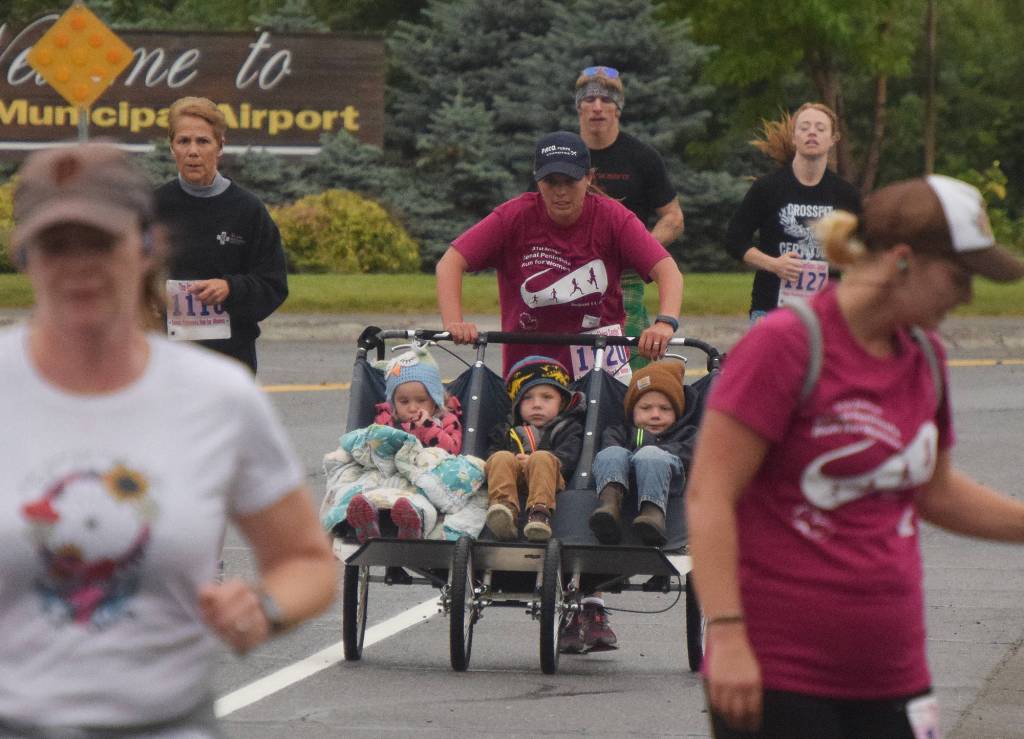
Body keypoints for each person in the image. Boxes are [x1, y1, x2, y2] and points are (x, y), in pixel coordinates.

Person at [0, 143, 336, 736]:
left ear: (148, 245)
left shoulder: (216, 396)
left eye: (101, 242)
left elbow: (307, 563)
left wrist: (263, 607)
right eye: (56, 245)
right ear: (23, 253)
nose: (80, 265)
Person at [687, 174, 1024, 738]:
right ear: (901, 260)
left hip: (894, 675)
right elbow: (709, 495)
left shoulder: (925, 356)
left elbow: (933, 490)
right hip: (780, 675)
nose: (966, 295)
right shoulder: (785, 346)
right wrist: (726, 634)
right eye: (959, 276)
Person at [436, 130, 683, 377]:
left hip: (601, 363)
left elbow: (668, 271)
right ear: (537, 180)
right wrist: (454, 322)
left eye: (570, 181)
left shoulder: (614, 217)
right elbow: (450, 263)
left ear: (588, 177)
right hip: (531, 368)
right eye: (551, 182)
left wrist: (665, 323)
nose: (560, 192)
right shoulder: (513, 217)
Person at [156, 96, 289, 373]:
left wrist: (231, 288)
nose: (193, 151)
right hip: (165, 360)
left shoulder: (247, 210)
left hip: (230, 360)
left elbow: (273, 285)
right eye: (184, 141)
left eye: (203, 142)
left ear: (220, 147)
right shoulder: (152, 208)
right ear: (172, 148)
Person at [575, 65, 685, 368]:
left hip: (626, 281)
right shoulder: (564, 156)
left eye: (607, 100)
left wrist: (639, 248)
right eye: (589, 99)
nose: (598, 107)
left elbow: (673, 218)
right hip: (571, 275)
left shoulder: (642, 157)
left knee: (629, 368)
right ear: (579, 107)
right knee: (568, 369)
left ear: (618, 108)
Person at [321, 346, 486, 543]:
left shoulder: (446, 421)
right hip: (389, 477)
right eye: (404, 401)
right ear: (393, 404)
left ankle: (412, 525)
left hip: (424, 480)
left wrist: (427, 428)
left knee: (422, 503)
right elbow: (373, 445)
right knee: (368, 491)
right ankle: (366, 521)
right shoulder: (386, 420)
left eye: (421, 400)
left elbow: (452, 450)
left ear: (435, 401)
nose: (413, 407)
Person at [724, 103, 861, 321]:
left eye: (820, 128)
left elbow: (865, 250)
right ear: (794, 137)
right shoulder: (768, 188)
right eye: (804, 127)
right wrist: (774, 264)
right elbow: (734, 239)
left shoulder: (846, 195)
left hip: (825, 314)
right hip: (770, 309)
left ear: (834, 139)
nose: (812, 133)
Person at [589, 360, 700, 547]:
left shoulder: (686, 433)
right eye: (646, 408)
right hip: (622, 484)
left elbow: (690, 456)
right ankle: (608, 507)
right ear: (632, 411)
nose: (655, 415)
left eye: (665, 409)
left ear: (677, 413)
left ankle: (653, 514)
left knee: (650, 455)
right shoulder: (620, 431)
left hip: (669, 486)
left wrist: (648, 451)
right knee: (610, 453)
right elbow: (608, 451)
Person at [484, 356, 584, 542]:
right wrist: (514, 460)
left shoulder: (567, 427)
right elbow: (490, 456)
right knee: (500, 457)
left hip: (550, 480)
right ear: (517, 405)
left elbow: (569, 457)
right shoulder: (506, 429)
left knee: (541, 457)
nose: (537, 404)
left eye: (546, 397)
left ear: (561, 403)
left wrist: (532, 461)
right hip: (513, 479)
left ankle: (540, 513)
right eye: (527, 398)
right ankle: (504, 511)